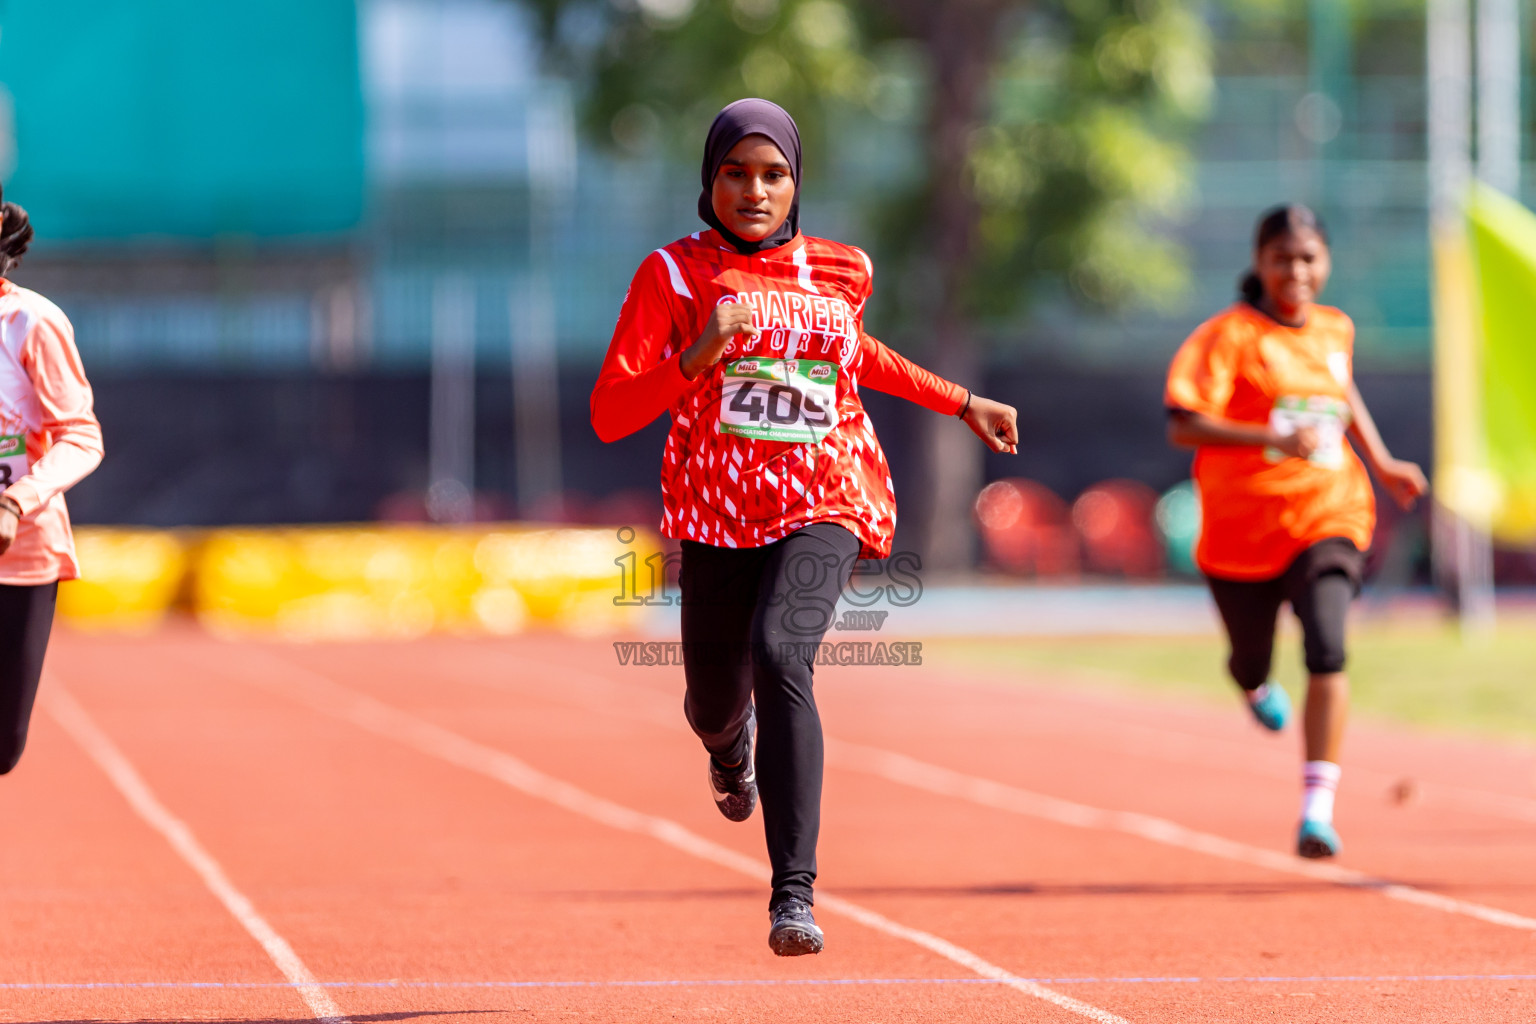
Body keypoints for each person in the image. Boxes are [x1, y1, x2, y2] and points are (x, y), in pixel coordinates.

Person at [591, 99, 1018, 954]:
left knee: (784, 654)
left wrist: (962, 401)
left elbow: (859, 355)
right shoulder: (670, 278)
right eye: (736, 173)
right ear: (709, 182)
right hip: (716, 513)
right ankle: (728, 743)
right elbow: (609, 414)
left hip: (827, 495)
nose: (756, 190)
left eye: (774, 174)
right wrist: (698, 353)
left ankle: (794, 895)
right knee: (712, 703)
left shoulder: (841, 268)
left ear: (797, 184)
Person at [1165, 204, 1426, 859]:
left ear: (1326, 262)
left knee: (1329, 648)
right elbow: (1183, 423)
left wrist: (1383, 460)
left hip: (1327, 512)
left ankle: (1317, 810)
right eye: (1283, 258)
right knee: (1250, 658)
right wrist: (1272, 435)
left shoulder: (1336, 328)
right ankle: (1253, 684)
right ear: (1261, 262)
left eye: (1309, 257)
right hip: (1239, 530)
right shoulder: (1227, 337)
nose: (1297, 271)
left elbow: (1342, 392)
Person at [0, 188, 105, 773]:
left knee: (3, 747)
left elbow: (81, 436)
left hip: (20, 558)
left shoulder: (32, 322)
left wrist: (17, 503)